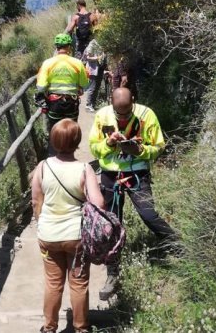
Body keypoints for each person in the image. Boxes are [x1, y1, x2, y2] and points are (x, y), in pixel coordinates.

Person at [88, 87, 177, 300]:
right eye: (120, 114)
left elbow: (159, 146)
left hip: (138, 174)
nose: (123, 118)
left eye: (127, 113)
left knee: (148, 215)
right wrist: (109, 144)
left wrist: (141, 151)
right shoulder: (102, 116)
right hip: (111, 174)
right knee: (111, 223)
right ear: (112, 104)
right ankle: (112, 273)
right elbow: (93, 148)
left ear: (134, 102)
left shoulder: (146, 115)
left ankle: (177, 245)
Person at [32, 119, 107, 333]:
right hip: (76, 237)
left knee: (53, 283)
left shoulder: (43, 167)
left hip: (48, 235)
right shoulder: (84, 169)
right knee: (79, 283)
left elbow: (36, 200)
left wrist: (41, 223)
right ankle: (81, 328)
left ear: (53, 141)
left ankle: (49, 327)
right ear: (77, 142)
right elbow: (98, 202)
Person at [36, 33, 89, 156]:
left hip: (54, 103)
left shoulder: (48, 63)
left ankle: (54, 157)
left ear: (56, 47)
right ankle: (69, 156)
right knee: (71, 130)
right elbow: (85, 85)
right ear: (69, 47)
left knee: (55, 130)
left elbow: (40, 86)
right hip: (72, 103)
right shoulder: (77, 63)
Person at [83, 38, 106, 112]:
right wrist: (97, 58)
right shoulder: (93, 43)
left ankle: (92, 105)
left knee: (97, 87)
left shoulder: (103, 42)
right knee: (92, 87)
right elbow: (87, 57)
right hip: (93, 69)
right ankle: (88, 105)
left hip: (100, 68)